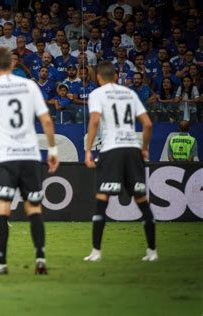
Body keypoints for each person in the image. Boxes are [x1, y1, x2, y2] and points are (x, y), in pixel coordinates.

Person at [0, 47, 59, 275]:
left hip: (4, 157)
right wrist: (53, 149)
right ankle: (40, 259)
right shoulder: (30, 85)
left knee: (2, 211)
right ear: (13, 63)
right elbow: (46, 120)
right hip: (29, 155)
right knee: (34, 209)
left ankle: (1, 264)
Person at [84, 61, 156, 262]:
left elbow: (95, 121)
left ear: (98, 77)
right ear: (116, 76)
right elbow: (148, 124)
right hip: (132, 148)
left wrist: (88, 150)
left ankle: (96, 252)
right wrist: (143, 148)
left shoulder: (97, 94)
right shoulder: (130, 93)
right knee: (141, 200)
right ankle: (152, 251)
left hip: (111, 149)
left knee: (102, 201)